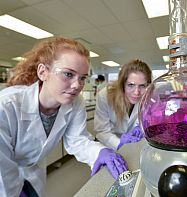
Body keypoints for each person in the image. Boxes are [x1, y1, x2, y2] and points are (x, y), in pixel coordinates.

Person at [0, 37, 128, 197]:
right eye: (68, 74)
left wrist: (100, 152)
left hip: (32, 173)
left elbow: (77, 140)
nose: (77, 85)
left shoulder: (75, 102)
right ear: (43, 72)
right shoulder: (5, 105)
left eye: (82, 78)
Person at [94, 59, 152, 150]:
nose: (137, 92)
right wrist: (119, 144)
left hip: (135, 145)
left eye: (142, 86)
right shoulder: (105, 95)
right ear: (122, 84)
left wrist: (141, 128)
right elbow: (102, 131)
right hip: (109, 145)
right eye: (131, 85)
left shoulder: (148, 98)